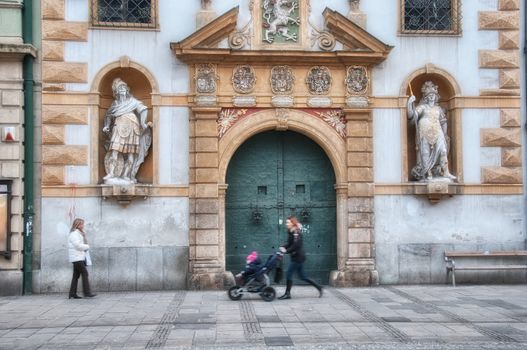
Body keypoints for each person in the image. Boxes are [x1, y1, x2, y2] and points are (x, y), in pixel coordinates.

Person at [102, 78, 151, 184]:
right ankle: (111, 173)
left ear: (127, 89)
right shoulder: (115, 104)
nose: (123, 89)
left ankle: (126, 175)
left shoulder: (132, 101)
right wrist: (106, 125)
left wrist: (143, 123)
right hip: (118, 127)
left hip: (133, 127)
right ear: (116, 92)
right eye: (120, 88)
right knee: (114, 151)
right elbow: (108, 115)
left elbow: (143, 109)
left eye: (124, 87)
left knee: (131, 153)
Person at [407, 81, 456, 181]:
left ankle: (446, 172)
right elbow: (412, 116)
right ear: (426, 97)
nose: (431, 97)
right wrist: (409, 103)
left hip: (438, 132)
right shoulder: (422, 107)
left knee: (443, 151)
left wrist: (445, 134)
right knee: (425, 153)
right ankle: (427, 173)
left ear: (436, 96)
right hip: (424, 132)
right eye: (429, 95)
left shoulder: (439, 109)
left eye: (433, 95)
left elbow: (443, 122)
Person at [278, 216, 323, 299]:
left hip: (298, 257)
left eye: (288, 222)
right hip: (297, 256)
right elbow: (289, 243)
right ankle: (319, 287)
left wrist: (286, 251)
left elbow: (296, 245)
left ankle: (287, 294)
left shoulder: (296, 232)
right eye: (286, 222)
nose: (286, 224)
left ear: (292, 223)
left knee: (289, 274)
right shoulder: (291, 231)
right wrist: (282, 247)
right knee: (303, 277)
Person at [68, 218, 96, 299]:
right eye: (81, 224)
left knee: (76, 275)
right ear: (77, 225)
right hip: (77, 257)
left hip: (79, 257)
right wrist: (87, 246)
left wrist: (84, 236)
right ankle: (87, 292)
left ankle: (72, 293)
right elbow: (78, 246)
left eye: (83, 224)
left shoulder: (79, 233)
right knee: (85, 273)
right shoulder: (74, 234)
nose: (83, 225)